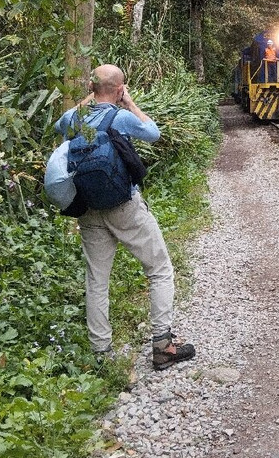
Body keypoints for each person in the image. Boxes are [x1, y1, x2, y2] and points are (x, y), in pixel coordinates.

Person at [54, 64, 196, 371]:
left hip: (88, 208)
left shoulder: (76, 118)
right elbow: (154, 133)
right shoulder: (120, 116)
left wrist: (88, 98)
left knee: (97, 280)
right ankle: (163, 347)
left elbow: (57, 126)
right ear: (120, 89)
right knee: (158, 268)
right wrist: (128, 102)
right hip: (124, 206)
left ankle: (102, 355)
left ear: (92, 89)